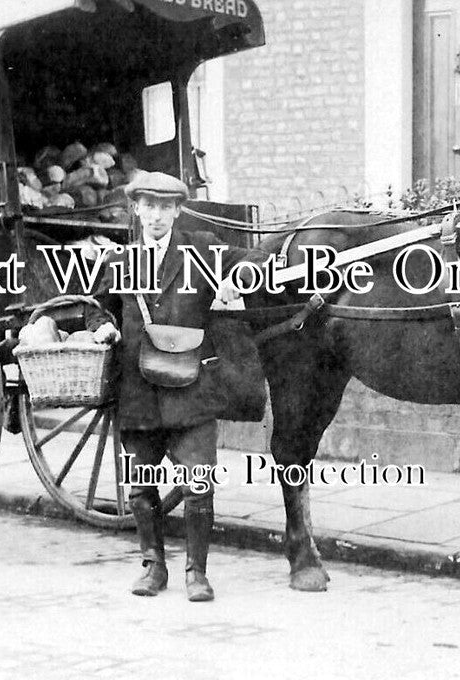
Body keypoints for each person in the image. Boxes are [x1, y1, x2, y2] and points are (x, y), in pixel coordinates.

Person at [85, 171, 262, 602]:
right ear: (137, 208)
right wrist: (103, 327)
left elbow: (253, 259)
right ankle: (153, 566)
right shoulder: (118, 263)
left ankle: (196, 573)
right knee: (142, 486)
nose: (158, 215)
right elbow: (93, 308)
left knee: (199, 483)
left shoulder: (201, 249)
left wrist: (235, 280)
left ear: (178, 210)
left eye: (167, 207)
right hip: (139, 392)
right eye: (150, 205)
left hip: (192, 390)